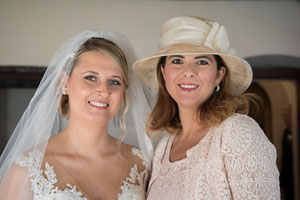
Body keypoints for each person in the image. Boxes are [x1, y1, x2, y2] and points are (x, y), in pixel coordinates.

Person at [133, 16, 280, 199]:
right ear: (163, 73)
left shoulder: (237, 132)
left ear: (219, 75)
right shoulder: (163, 149)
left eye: (202, 61)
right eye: (177, 61)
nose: (188, 71)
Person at [0, 30, 153, 199]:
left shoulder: (142, 163)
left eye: (114, 81)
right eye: (90, 78)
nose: (104, 90)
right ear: (64, 83)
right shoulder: (26, 170)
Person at [280, 104, 294, 200]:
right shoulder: (286, 132)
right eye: (284, 116)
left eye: (288, 115)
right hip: (288, 175)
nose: (286, 118)